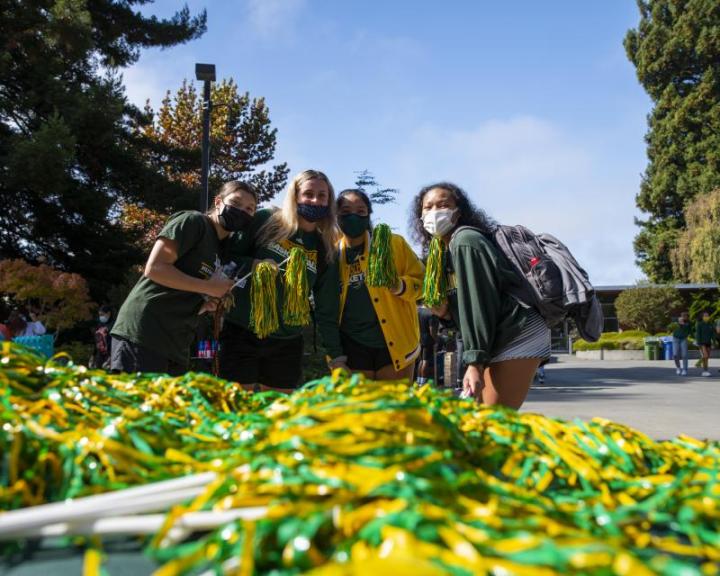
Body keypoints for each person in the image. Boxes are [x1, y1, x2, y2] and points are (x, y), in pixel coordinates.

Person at [410, 182, 551, 409]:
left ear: (459, 212)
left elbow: (479, 305)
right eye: (428, 207)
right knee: (479, 415)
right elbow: (465, 312)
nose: (435, 212)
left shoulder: (465, 241)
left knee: (492, 416)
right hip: (497, 336)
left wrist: (475, 363)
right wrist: (446, 315)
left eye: (443, 205)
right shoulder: (442, 253)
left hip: (518, 332)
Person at [110, 181, 257, 375]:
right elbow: (155, 268)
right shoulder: (193, 222)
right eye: (236, 203)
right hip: (144, 333)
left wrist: (202, 305)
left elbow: (189, 287)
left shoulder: (222, 248)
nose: (242, 211)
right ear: (218, 201)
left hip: (177, 344)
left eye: (249, 209)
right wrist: (209, 287)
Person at [218, 170, 339, 391]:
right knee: (234, 407)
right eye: (308, 194)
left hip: (287, 340)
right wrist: (253, 265)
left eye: (322, 196)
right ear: (295, 196)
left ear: (328, 201)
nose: (314, 200)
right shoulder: (267, 220)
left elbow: (326, 305)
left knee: (277, 413)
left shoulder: (325, 247)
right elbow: (227, 257)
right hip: (243, 330)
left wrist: (336, 353)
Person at [320, 189, 424, 381]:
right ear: (336, 216)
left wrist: (399, 285)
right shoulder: (330, 254)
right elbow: (325, 309)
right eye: (345, 212)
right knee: (360, 409)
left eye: (360, 211)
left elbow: (423, 285)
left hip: (396, 346)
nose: (353, 216)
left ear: (369, 215)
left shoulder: (394, 244)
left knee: (395, 409)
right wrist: (334, 356)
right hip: (352, 348)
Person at [417, 306, 440, 385]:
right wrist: (436, 340)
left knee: (421, 361)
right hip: (428, 340)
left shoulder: (418, 310)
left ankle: (419, 380)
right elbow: (432, 331)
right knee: (425, 361)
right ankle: (423, 381)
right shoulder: (431, 313)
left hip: (419, 338)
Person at [695, 311, 714, 377]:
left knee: (707, 357)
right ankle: (705, 371)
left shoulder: (710, 324)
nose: (707, 317)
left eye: (707, 315)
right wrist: (699, 343)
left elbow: (712, 334)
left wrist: (713, 342)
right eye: (705, 316)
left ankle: (699, 363)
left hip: (708, 342)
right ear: (702, 317)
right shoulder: (699, 324)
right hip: (702, 343)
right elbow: (698, 334)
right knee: (705, 356)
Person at [672, 311, 691, 376]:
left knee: (684, 355)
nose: (684, 317)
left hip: (683, 339)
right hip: (675, 339)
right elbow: (672, 319)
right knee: (675, 354)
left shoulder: (688, 323)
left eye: (685, 316)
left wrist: (692, 338)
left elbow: (690, 331)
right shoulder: (676, 321)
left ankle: (684, 369)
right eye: (683, 316)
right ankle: (678, 368)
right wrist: (678, 320)